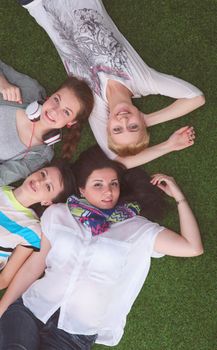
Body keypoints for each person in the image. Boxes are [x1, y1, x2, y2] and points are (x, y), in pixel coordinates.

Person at [0, 146, 203, 349]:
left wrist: (179, 197)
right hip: (31, 309)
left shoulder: (137, 228)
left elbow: (192, 247)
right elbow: (34, 266)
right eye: (98, 184)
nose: (108, 191)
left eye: (113, 184)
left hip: (74, 333)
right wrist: (2, 308)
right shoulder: (58, 214)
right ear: (82, 190)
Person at [18, 0, 205, 168]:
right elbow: (196, 98)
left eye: (117, 129)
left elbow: (117, 161)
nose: (124, 120)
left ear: (107, 126)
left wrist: (168, 146)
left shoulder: (94, 107)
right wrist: (147, 119)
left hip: (38, 5)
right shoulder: (145, 81)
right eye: (133, 126)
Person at [0, 59, 94, 185]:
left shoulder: (40, 155)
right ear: (51, 95)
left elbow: (2, 176)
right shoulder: (30, 90)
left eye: (66, 112)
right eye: (56, 100)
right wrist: (3, 82)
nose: (54, 111)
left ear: (71, 122)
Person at [0, 159, 74, 290]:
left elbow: (5, 279)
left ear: (47, 202)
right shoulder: (2, 185)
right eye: (43, 174)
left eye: (48, 187)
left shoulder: (32, 230)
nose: (39, 182)